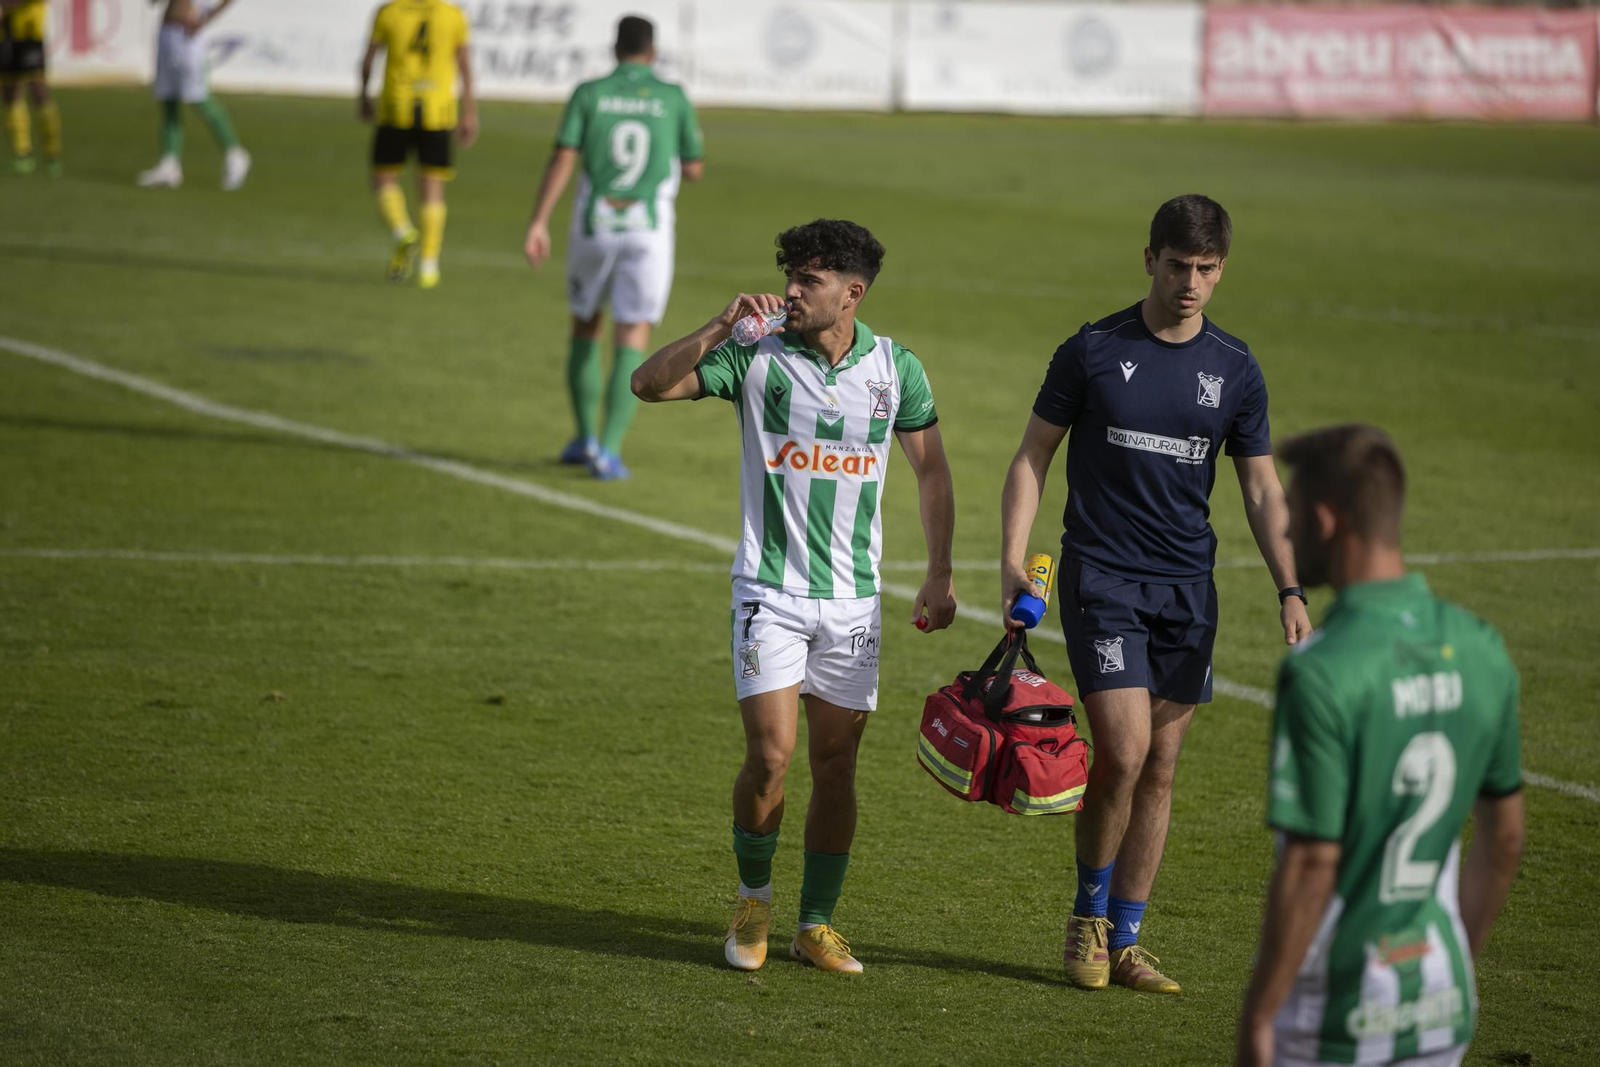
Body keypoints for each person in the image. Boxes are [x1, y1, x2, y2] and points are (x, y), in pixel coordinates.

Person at [1000, 193, 1313, 994]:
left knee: (1163, 764)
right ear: (1150, 259)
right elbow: (1033, 453)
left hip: (1187, 586)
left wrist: (1290, 586)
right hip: (1101, 575)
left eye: (1208, 269)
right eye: (1179, 265)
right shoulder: (1094, 348)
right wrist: (1013, 556)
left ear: (1222, 270)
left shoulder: (1236, 368)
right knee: (1126, 750)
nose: (1191, 283)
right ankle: (1088, 916)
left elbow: (1261, 489)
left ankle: (1129, 937)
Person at [631, 218, 956, 974]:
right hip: (768, 592)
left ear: (852, 292)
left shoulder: (897, 369)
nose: (790, 291)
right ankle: (753, 901)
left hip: (852, 603)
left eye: (808, 281)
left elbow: (932, 471)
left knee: (837, 764)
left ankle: (816, 923)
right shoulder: (753, 353)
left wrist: (939, 571)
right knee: (772, 756)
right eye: (790, 276)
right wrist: (718, 325)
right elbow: (649, 384)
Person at [1236, 423, 1524, 1067]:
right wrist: (1454, 966)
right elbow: (1503, 840)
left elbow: (1312, 863)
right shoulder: (1481, 648)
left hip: (1334, 1014)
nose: (1285, 533)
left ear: (1325, 520)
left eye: (1294, 516)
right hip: (1439, 1004)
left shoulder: (1322, 671)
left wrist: (1260, 1015)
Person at [524, 15, 703, 481]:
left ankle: (583, 438)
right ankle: (609, 449)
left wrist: (539, 221)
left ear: (614, 48)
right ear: (653, 50)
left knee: (586, 324)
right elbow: (695, 167)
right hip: (648, 232)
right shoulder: (672, 97)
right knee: (633, 333)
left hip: (594, 225)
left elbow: (564, 155)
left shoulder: (590, 93)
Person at [360, 0, 476, 290]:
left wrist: (363, 95)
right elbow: (464, 65)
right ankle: (429, 265)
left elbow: (368, 61)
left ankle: (403, 232)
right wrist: (470, 112)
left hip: (396, 107)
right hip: (437, 111)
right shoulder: (453, 15)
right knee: (433, 189)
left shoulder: (389, 12)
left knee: (384, 178)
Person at [136, 0, 252, 192]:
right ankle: (169, 163)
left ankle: (235, 154)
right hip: (167, 32)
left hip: (188, 36)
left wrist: (206, 19)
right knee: (168, 100)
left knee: (200, 98)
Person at [0, 0, 62, 175]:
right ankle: (22, 151)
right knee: (9, 93)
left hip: (30, 34)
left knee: (39, 91)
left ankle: (52, 152)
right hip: (6, 34)